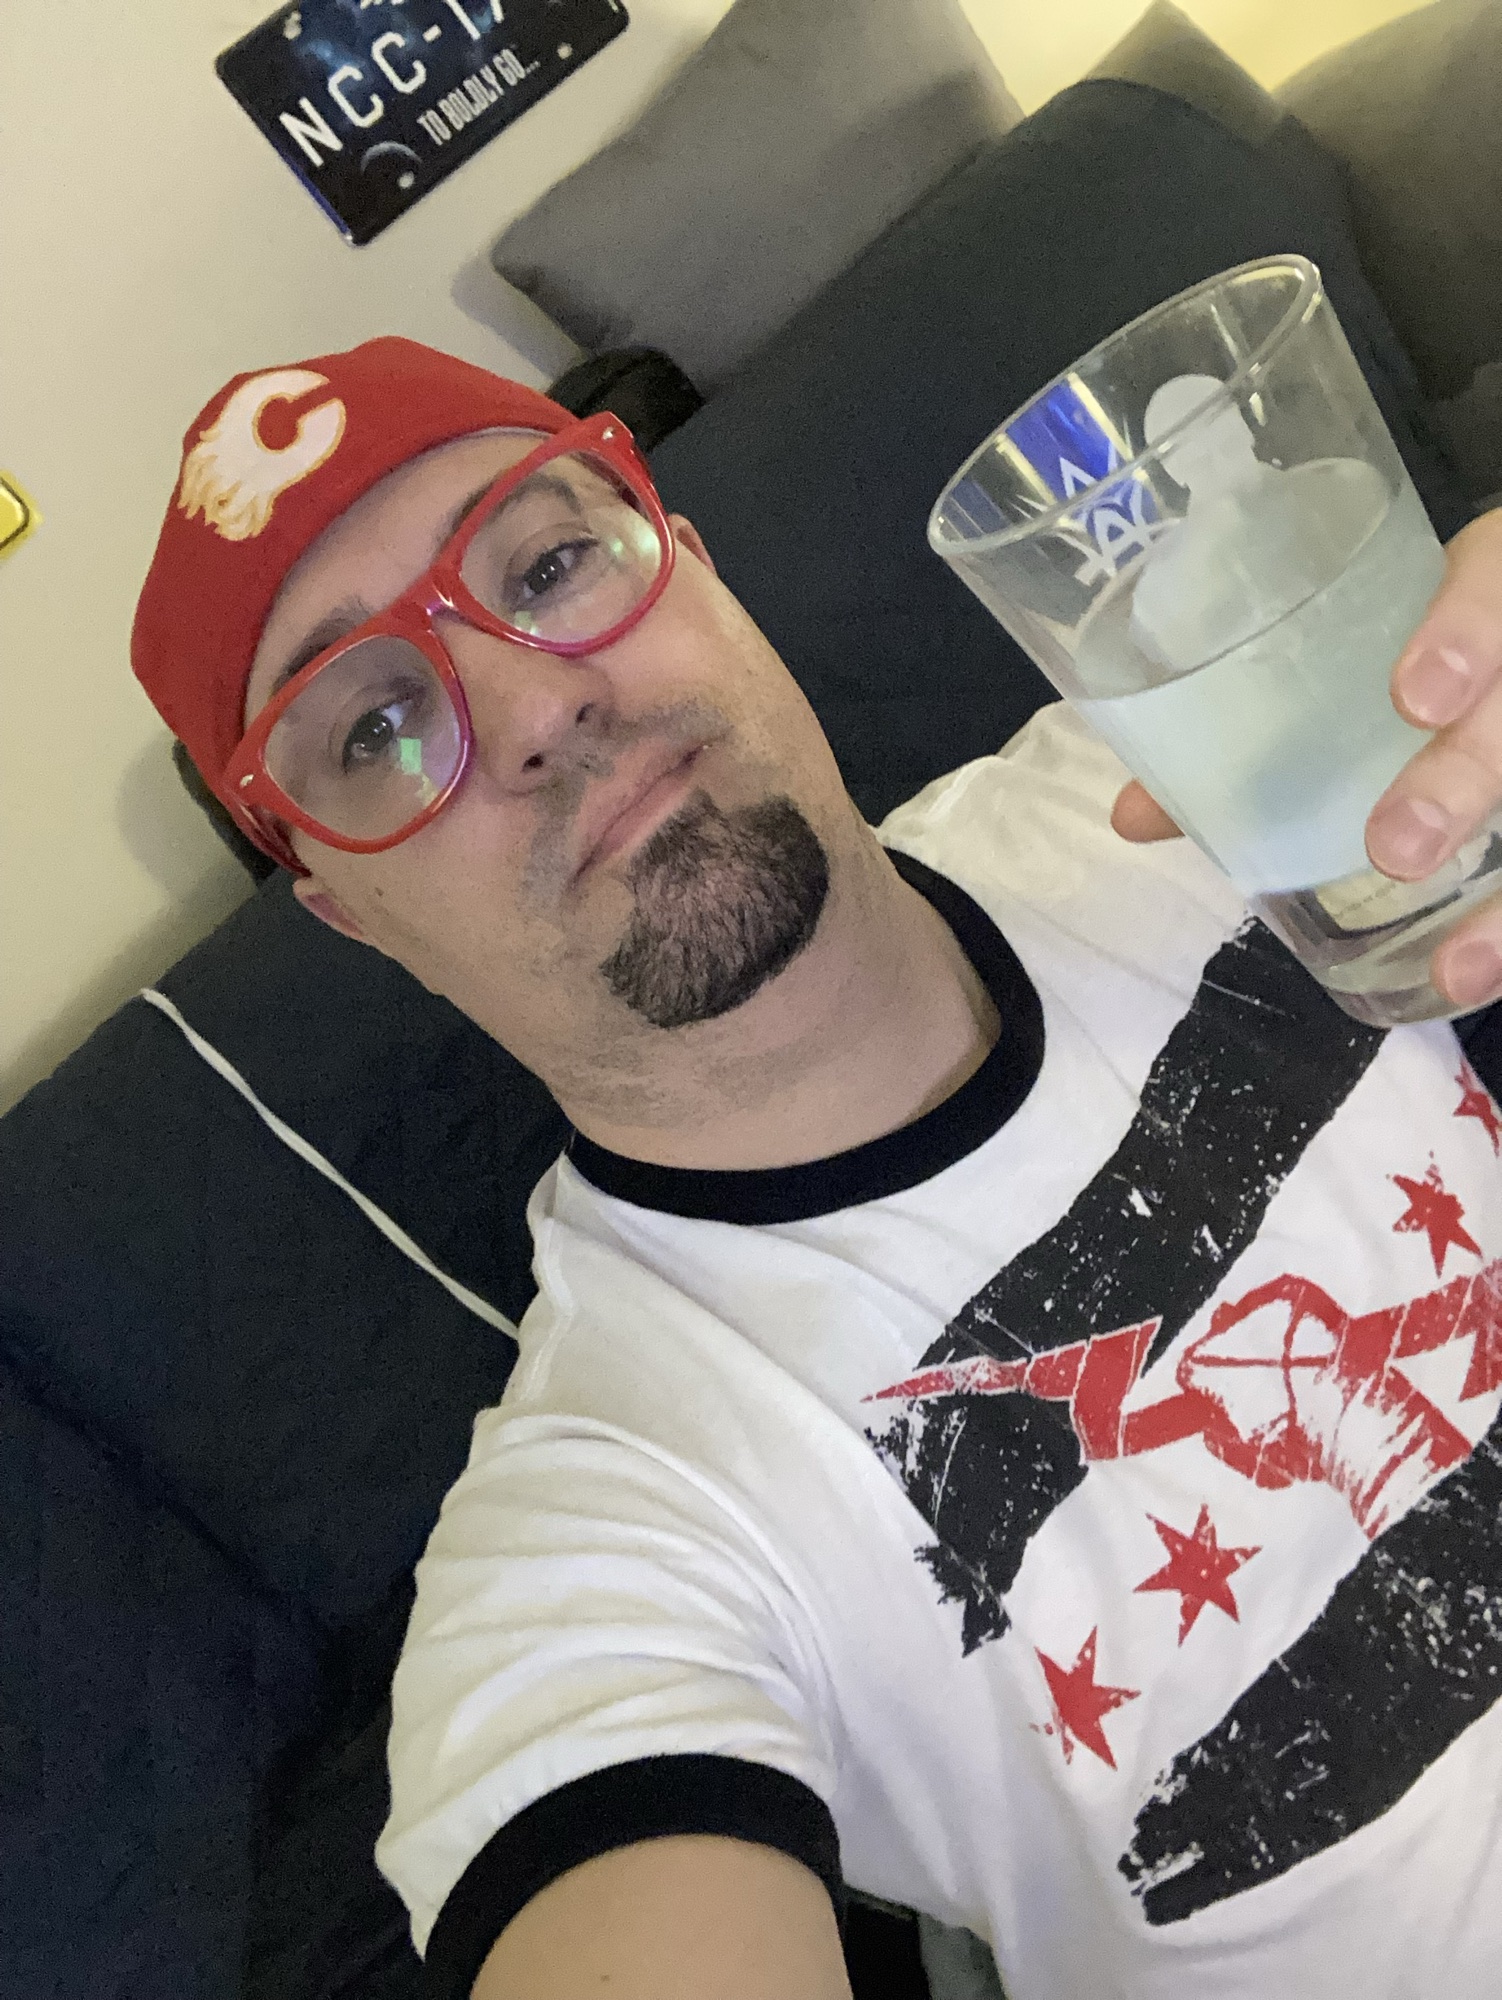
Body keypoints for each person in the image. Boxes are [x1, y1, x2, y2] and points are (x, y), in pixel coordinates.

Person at [132, 338, 1502, 2000]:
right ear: (349, 913)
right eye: (375, 726)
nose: (536, 705)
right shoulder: (608, 1531)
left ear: (692, 563)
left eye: (547, 565)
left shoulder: (1172, 779)